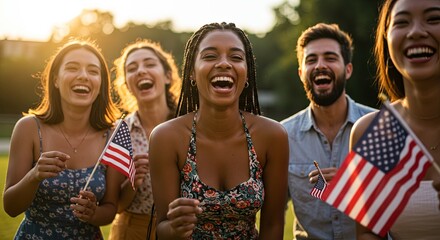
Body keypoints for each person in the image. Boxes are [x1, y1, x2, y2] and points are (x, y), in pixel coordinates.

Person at [148, 22, 289, 239]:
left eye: (235, 57)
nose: (224, 63)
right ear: (192, 73)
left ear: (247, 73)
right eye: (210, 56)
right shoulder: (167, 138)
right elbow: (162, 229)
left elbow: (273, 226)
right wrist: (175, 227)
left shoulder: (272, 136)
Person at [3, 39, 124, 239]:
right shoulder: (29, 128)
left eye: (93, 71)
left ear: (101, 83)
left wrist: (93, 213)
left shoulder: (112, 137)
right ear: (56, 80)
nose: (83, 76)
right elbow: (11, 207)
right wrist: (34, 176)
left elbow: (110, 209)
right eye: (72, 68)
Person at [281, 23, 376, 240]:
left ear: (348, 69)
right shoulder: (283, 136)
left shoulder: (379, 127)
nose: (320, 65)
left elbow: (405, 205)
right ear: (300, 73)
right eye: (311, 60)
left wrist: (358, 188)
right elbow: (274, 213)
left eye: (330, 58)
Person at [355, 0, 440, 239]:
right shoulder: (372, 131)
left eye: (433, 19)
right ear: (387, 38)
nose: (415, 32)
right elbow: (367, 234)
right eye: (402, 22)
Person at [108, 39, 181, 240]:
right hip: (131, 231)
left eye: (149, 64)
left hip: (181, 230)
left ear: (167, 76)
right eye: (132, 68)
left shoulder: (190, 126)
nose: (140, 71)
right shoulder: (119, 132)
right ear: (126, 85)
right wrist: (133, 182)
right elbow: (115, 206)